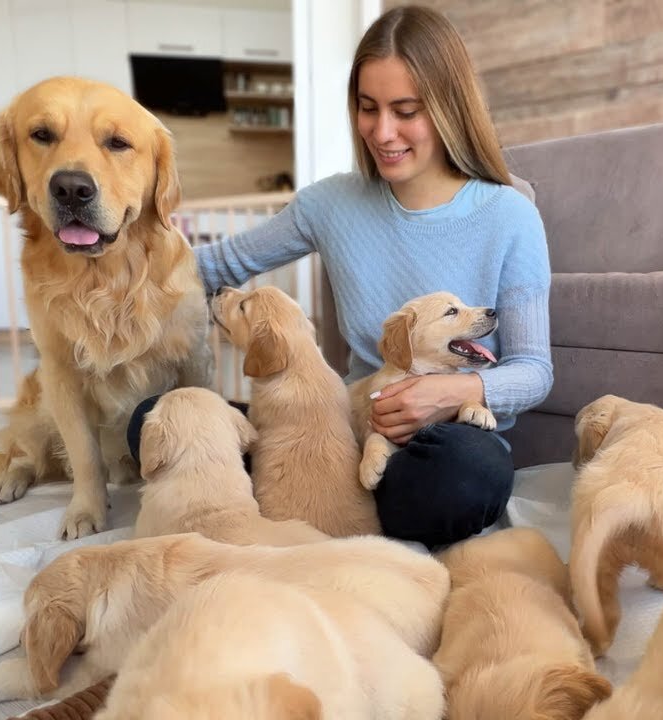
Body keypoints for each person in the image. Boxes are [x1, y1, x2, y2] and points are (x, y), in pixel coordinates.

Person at [127, 4, 552, 549]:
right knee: (155, 422)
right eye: (367, 108)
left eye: (405, 111)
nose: (382, 131)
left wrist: (455, 390)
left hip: (437, 443)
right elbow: (213, 269)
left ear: (449, 107)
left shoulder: (509, 214)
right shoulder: (332, 203)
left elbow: (534, 370)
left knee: (468, 477)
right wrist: (114, 263)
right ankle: (318, 496)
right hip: (334, 430)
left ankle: (307, 503)